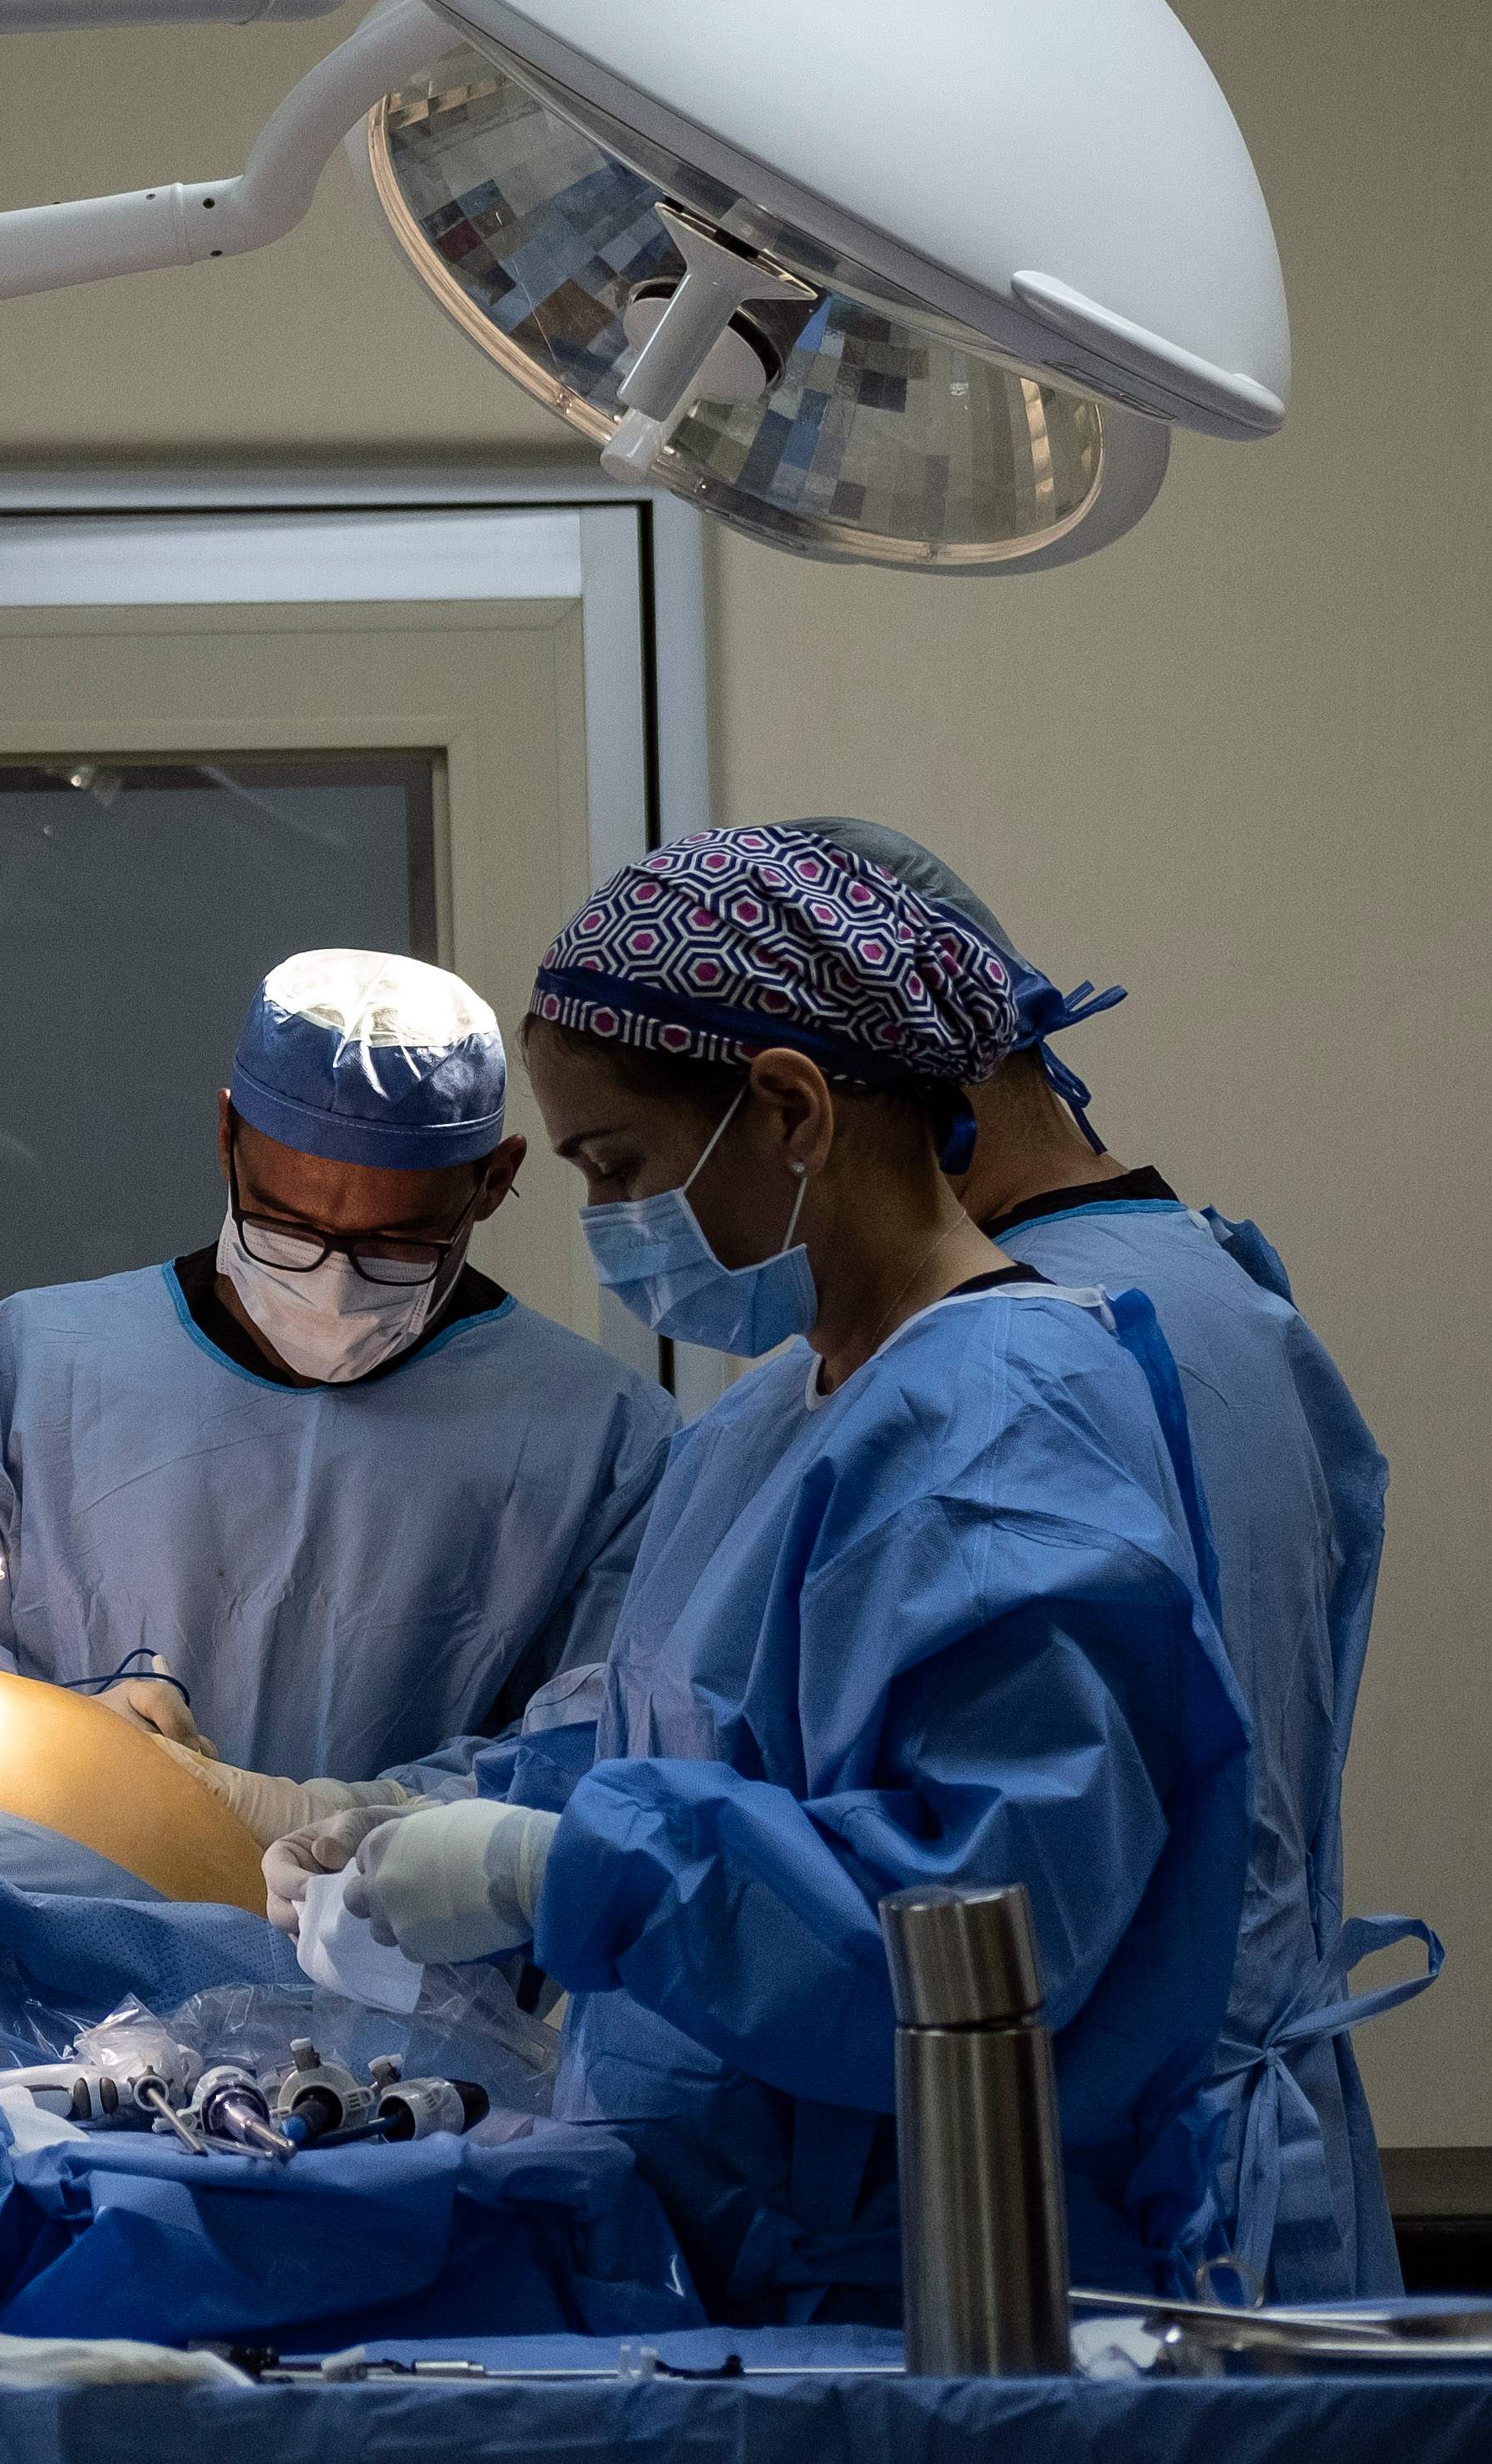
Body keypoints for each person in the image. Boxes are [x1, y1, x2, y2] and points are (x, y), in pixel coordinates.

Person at [324, 826, 1253, 2315]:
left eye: (613, 1164)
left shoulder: (999, 1421)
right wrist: (463, 1820)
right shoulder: (777, 1409)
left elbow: (977, 1926)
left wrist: (557, 1875)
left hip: (942, 2281)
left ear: (786, 1106)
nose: (604, 1225)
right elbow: (695, 1739)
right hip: (746, 2255)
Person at [778, 815, 1417, 2301]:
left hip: (1088, 2208)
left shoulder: (1009, 1362)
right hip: (1228, 2165)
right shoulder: (1201, 1285)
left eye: (655, 1154)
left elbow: (1000, 1873)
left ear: (810, 1102)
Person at [0, 947, 677, 1802]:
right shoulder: (29, 1368)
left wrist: (362, 1824)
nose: (330, 1281)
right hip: (49, 1915)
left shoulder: (602, 1433)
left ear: (492, 1181)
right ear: (226, 1134)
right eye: (286, 1226)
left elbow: (606, 1739)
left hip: (400, 1932)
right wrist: (65, 1741)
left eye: (392, 1244)